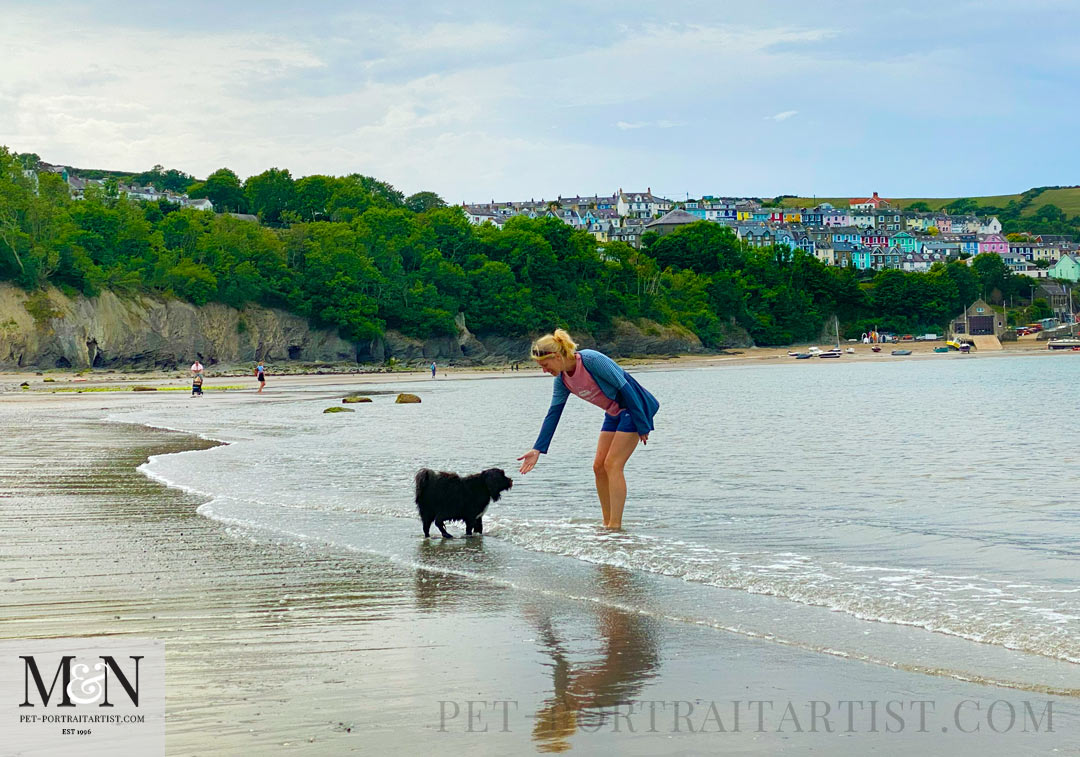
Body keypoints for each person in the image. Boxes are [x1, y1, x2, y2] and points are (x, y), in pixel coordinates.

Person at [517, 329, 658, 529]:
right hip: (613, 412)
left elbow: (627, 387)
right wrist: (537, 449)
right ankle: (607, 522)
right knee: (598, 467)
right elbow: (554, 413)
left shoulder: (591, 360)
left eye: (545, 365)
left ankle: (615, 527)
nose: (544, 371)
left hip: (634, 407)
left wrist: (642, 423)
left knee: (612, 465)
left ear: (557, 356)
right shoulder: (562, 380)